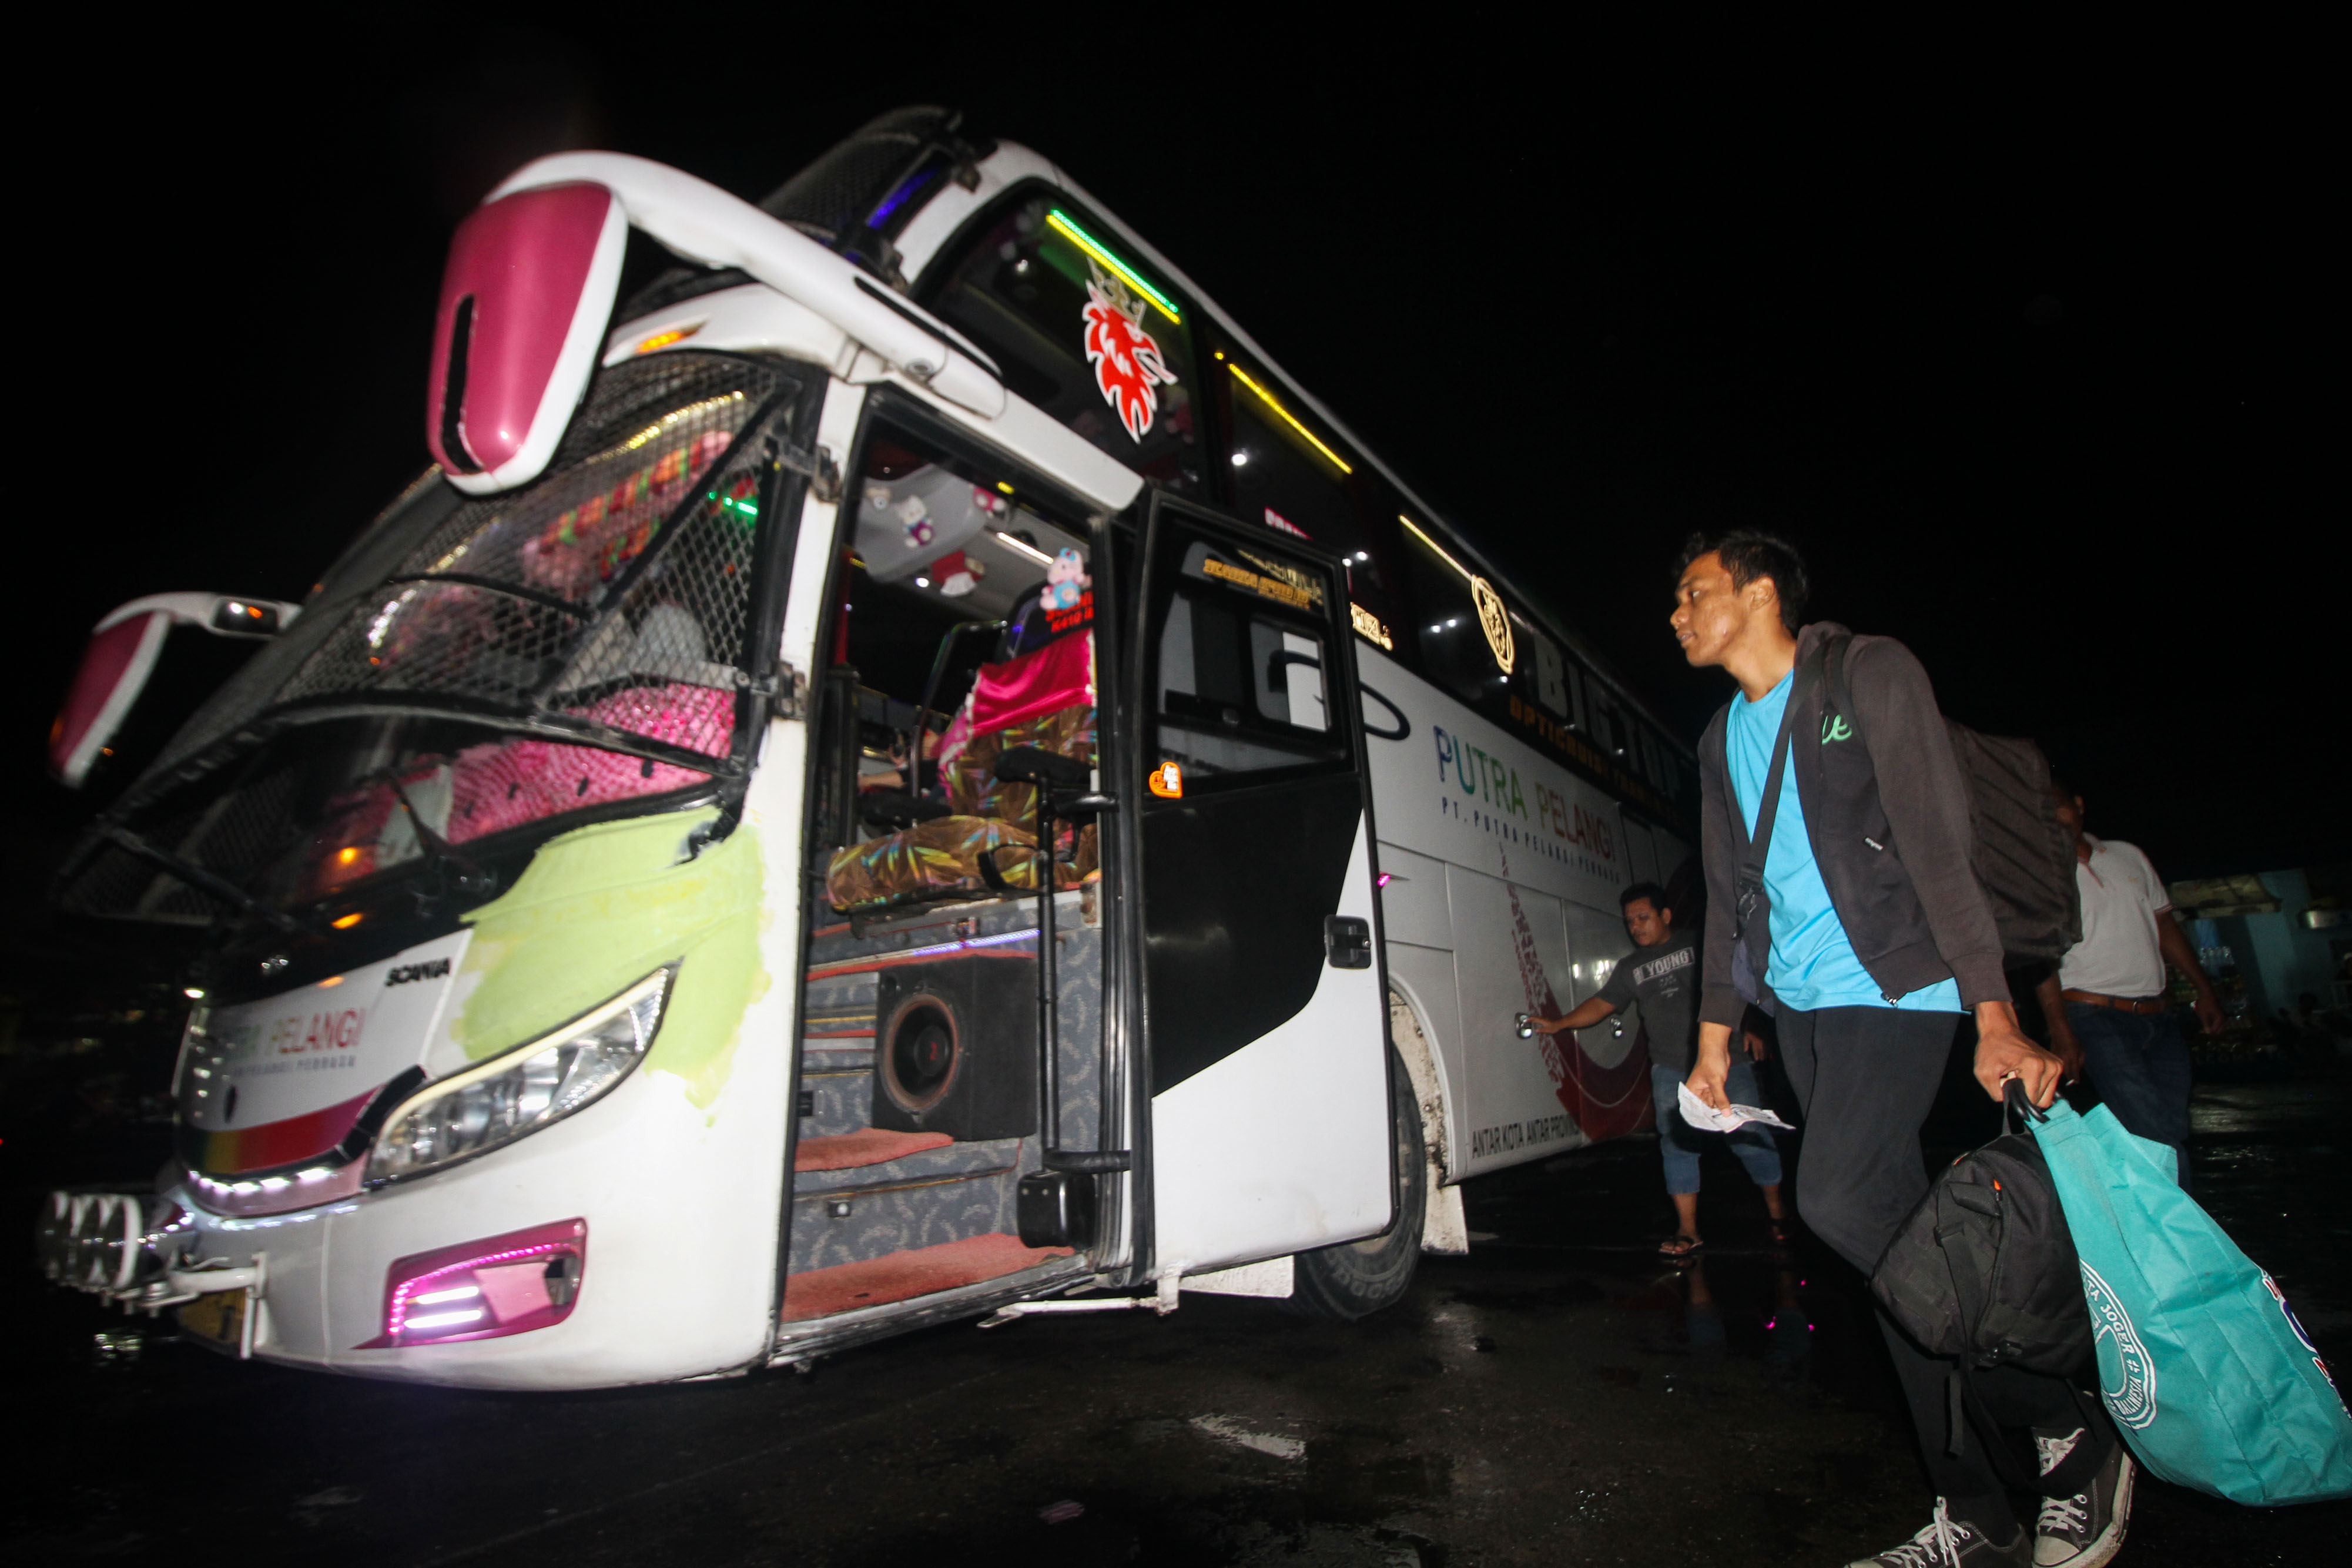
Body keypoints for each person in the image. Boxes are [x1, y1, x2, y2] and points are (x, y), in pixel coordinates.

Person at [1671, 531, 2130, 1568]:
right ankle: (1974, 1509)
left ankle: (2066, 1421)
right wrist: (1711, 1040)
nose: (1677, 613)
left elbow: (1937, 843)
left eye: (1693, 593)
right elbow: (1724, 897)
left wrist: (1993, 1010)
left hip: (1898, 982)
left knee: (1835, 1199)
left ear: (1756, 592)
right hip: (1800, 1007)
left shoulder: (1866, 670)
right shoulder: (1714, 741)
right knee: (1890, 1259)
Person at [1527, 882, 1790, 1258]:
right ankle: (1688, 1230)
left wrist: (1754, 1027)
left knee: (1749, 1137)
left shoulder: (1699, 944)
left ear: (1666, 916)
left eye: (1643, 918)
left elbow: (1740, 985)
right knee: (1678, 1145)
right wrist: (1559, 1024)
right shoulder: (1630, 968)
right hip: (1670, 1069)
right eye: (1630, 922)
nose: (1635, 927)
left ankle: (1779, 1213)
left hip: (1724, 1062)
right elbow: (1602, 1004)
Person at [2032, 782, 2222, 1191]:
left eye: (2058, 806)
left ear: (2079, 806)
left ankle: (2147, 1216)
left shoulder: (2127, 855)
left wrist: (2205, 991)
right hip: (2094, 1016)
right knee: (2153, 1131)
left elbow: (2165, 926)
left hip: (2160, 1016)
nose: (2052, 816)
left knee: (2171, 1127)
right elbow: (2041, 959)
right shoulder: (2038, 874)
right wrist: (2061, 1029)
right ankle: (2183, 1231)